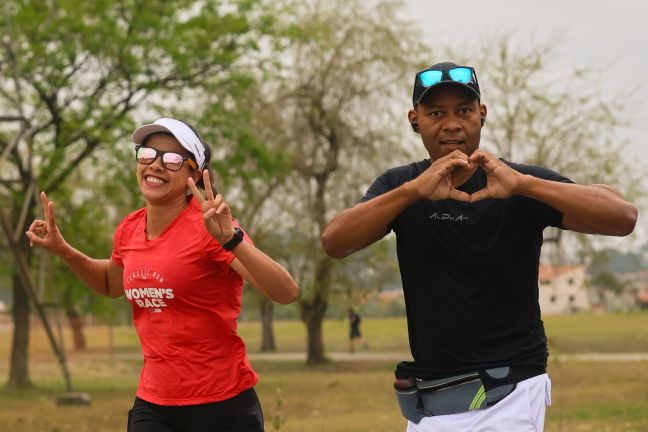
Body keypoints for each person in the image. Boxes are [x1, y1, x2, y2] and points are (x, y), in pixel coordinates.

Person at [320, 62, 637, 431]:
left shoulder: (515, 182)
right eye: (436, 113)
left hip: (512, 390)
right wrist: (414, 192)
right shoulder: (401, 185)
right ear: (415, 119)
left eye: (464, 111)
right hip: (432, 401)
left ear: (481, 115)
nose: (451, 123)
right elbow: (335, 241)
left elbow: (622, 216)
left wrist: (525, 185)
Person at [26, 117, 300, 432]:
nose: (156, 165)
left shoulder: (213, 227)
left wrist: (231, 240)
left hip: (222, 404)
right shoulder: (129, 228)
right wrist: (65, 251)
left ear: (193, 174)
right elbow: (109, 283)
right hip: (154, 403)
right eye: (147, 154)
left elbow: (286, 292)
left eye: (171, 160)